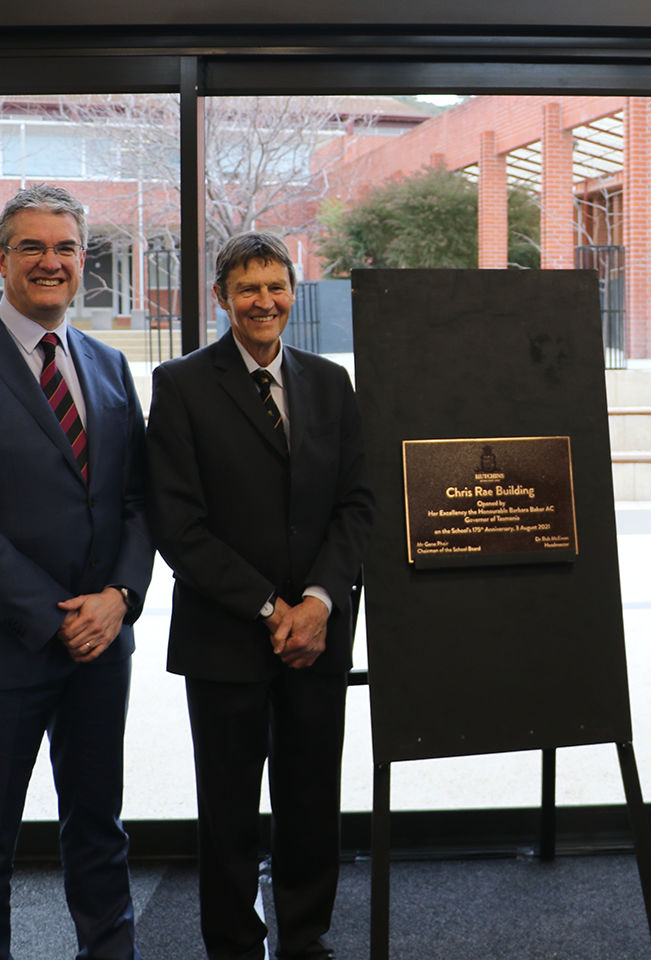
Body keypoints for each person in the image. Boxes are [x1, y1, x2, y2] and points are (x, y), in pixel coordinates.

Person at [0, 184, 152, 960]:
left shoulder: (108, 364)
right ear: (2, 257)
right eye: (34, 247)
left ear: (83, 260)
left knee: (98, 830)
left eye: (67, 248)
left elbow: (141, 499)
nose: (52, 262)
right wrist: (56, 616)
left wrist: (118, 598)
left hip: (102, 646)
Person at [146, 232, 374, 960]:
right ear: (222, 297)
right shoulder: (180, 385)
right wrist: (271, 609)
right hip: (226, 637)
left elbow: (358, 505)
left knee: (312, 802)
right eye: (248, 289)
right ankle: (235, 946)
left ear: (292, 294)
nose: (263, 302)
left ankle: (305, 939)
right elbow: (178, 525)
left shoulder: (330, 384)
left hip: (319, 636)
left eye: (276, 287)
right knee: (229, 811)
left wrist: (318, 601)